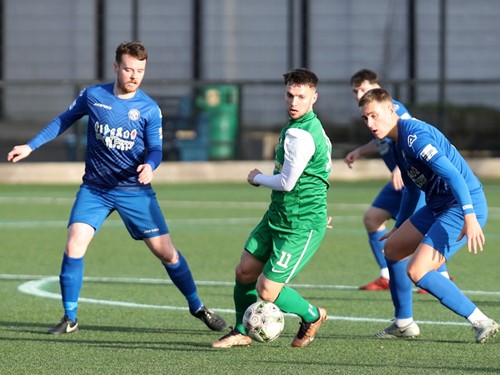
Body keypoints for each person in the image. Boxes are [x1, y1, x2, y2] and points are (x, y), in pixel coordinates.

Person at [6, 41, 226, 335]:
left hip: (134, 191)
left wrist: (150, 166)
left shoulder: (148, 109)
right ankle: (70, 317)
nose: (134, 75)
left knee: (167, 254)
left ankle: (197, 306)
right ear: (116, 67)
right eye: (129, 69)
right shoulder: (93, 95)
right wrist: (30, 146)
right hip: (95, 189)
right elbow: (63, 120)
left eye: (140, 70)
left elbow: (156, 149)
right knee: (74, 245)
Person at [358, 88, 498, 343]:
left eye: (375, 116)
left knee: (418, 270)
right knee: (392, 249)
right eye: (365, 118)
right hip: (438, 205)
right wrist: (400, 225)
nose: (370, 123)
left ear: (391, 111)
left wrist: (469, 216)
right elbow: (412, 187)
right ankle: (403, 323)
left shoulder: (415, 138)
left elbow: (454, 175)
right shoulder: (396, 143)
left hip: (462, 204)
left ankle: (482, 321)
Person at [211, 68, 332, 348]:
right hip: (278, 216)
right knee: (244, 273)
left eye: (301, 96)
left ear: (314, 97)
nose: (294, 102)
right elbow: (323, 169)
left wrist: (256, 178)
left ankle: (313, 316)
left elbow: (288, 183)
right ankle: (241, 330)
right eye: (290, 95)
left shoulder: (300, 135)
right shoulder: (305, 128)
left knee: (267, 289)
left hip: (299, 225)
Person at [345, 69, 451, 291]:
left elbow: (407, 135)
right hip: (399, 182)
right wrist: (361, 151)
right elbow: (381, 141)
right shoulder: (371, 114)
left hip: (412, 179)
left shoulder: (395, 109)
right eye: (356, 91)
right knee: (372, 219)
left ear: (376, 86)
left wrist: (402, 167)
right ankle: (387, 276)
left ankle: (441, 275)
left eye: (363, 89)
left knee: (420, 227)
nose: (358, 94)